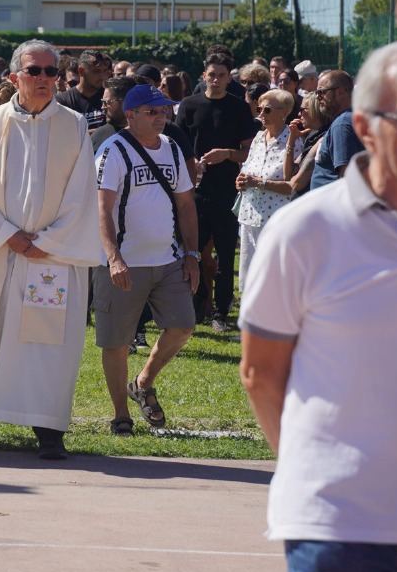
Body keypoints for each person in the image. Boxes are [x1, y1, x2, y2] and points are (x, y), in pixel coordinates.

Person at [239, 42, 397, 572]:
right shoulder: (305, 230)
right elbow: (261, 372)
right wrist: (318, 467)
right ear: (364, 127)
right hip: (337, 523)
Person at [0, 40, 101, 460]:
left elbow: (83, 193)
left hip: (52, 255)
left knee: (47, 339)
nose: (43, 79)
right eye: (34, 71)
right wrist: (7, 234)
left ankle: (48, 428)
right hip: (0, 250)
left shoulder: (73, 126)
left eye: (51, 72)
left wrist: (49, 240)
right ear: (14, 76)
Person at [94, 84, 200, 435]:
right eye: (153, 111)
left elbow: (185, 204)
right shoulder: (113, 150)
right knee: (117, 342)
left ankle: (142, 382)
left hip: (168, 259)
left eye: (165, 110)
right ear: (131, 115)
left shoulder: (171, 148)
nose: (162, 116)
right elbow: (103, 209)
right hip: (125, 263)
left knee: (184, 324)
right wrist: (114, 259)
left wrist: (192, 254)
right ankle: (120, 414)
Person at [175, 52, 257, 330]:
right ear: (204, 74)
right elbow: (176, 146)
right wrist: (191, 164)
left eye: (222, 75)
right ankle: (193, 310)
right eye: (212, 74)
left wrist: (228, 154)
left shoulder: (239, 108)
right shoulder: (189, 105)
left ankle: (221, 313)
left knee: (224, 256)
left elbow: (249, 152)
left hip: (227, 192)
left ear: (230, 77)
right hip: (194, 192)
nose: (217, 80)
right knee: (191, 253)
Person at [235, 89, 304, 293]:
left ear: (284, 112)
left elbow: (291, 185)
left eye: (266, 110)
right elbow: (247, 168)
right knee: (250, 280)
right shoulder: (257, 138)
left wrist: (258, 182)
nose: (260, 115)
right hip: (249, 216)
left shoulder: (294, 143)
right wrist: (241, 181)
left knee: (275, 280)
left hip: (276, 220)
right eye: (258, 109)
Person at [308, 69, 362, 190]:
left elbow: (347, 175)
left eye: (321, 92)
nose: (317, 97)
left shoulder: (342, 124)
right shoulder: (349, 119)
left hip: (333, 204)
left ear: (340, 92)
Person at [56, 49, 112, 131]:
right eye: (96, 71)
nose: (102, 77)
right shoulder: (63, 101)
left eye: (105, 71)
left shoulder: (110, 98)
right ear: (81, 71)